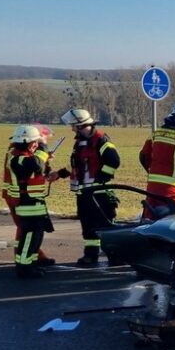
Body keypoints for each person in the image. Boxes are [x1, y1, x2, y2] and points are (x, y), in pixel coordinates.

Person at [52, 108, 121, 267]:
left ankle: (115, 256)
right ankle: (90, 256)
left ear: (80, 125)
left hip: (99, 192)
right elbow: (80, 166)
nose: (71, 129)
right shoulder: (80, 142)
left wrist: (100, 179)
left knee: (105, 226)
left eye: (73, 126)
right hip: (84, 193)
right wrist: (61, 173)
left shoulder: (101, 140)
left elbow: (114, 161)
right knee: (88, 226)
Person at [2, 126, 55, 267]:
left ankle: (33, 260)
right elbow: (35, 165)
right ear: (28, 142)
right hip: (25, 203)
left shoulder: (23, 155)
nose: (36, 145)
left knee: (35, 235)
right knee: (28, 235)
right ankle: (24, 266)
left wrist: (47, 162)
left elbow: (36, 171)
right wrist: (43, 148)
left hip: (33, 202)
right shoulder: (17, 157)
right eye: (35, 142)